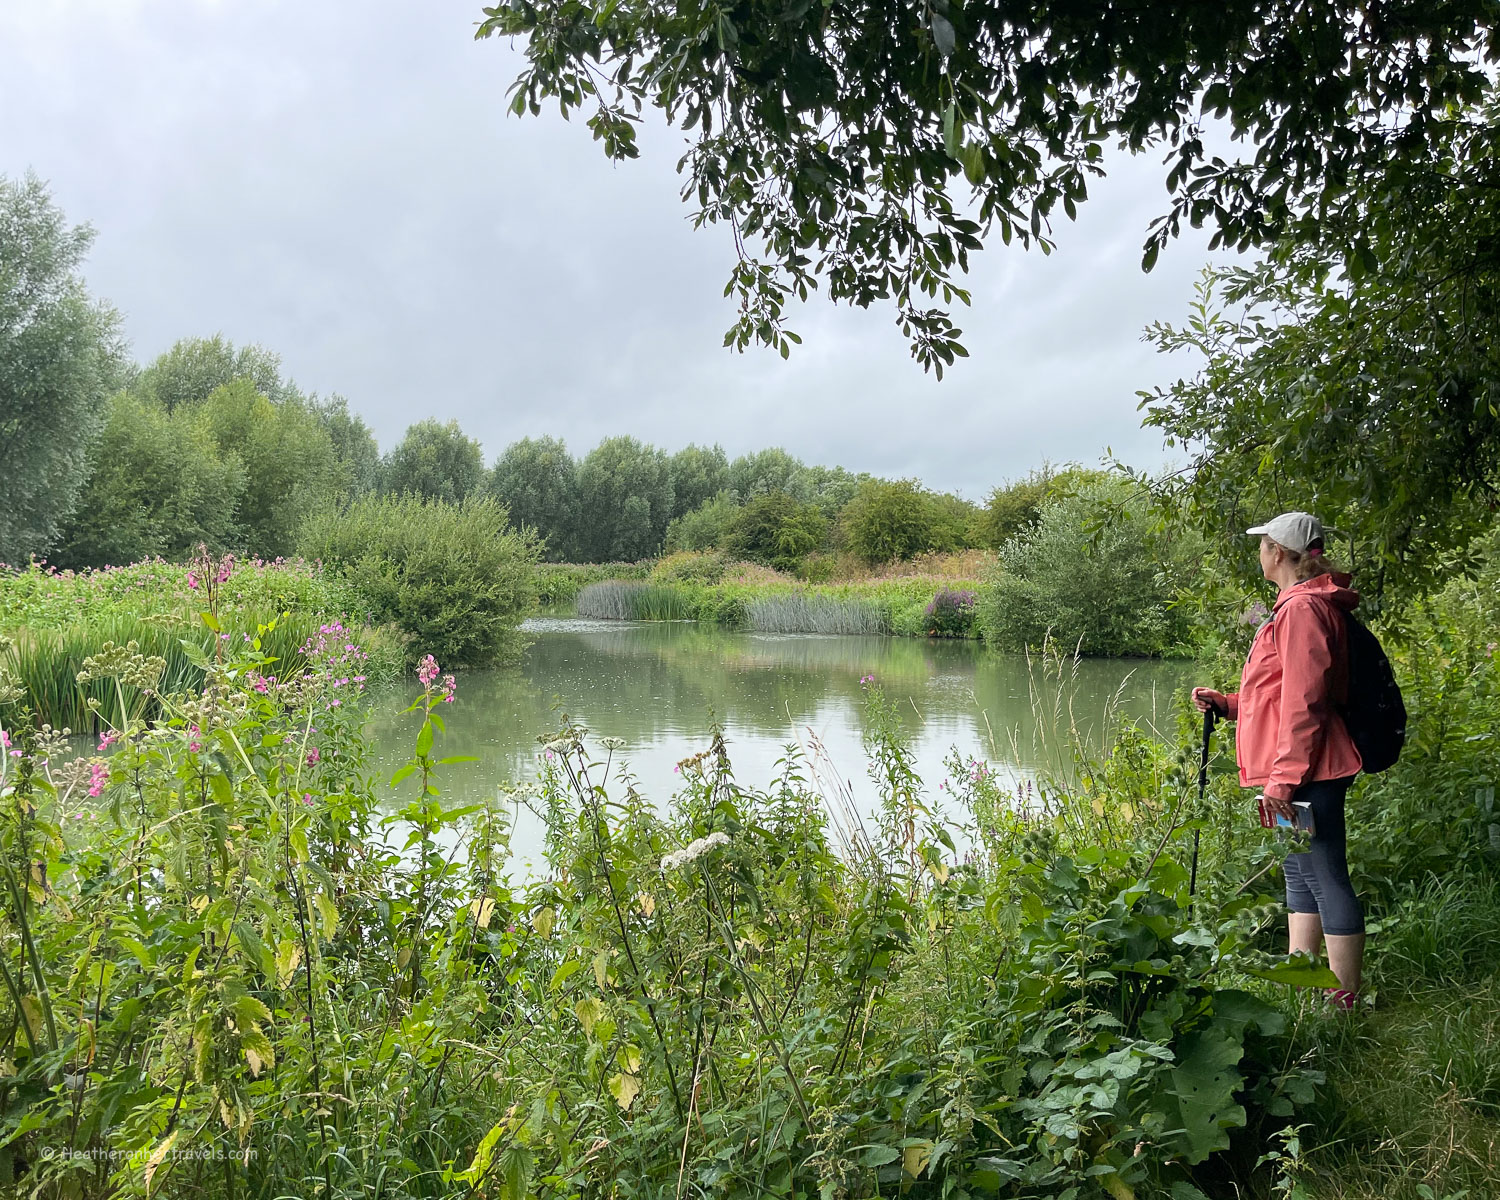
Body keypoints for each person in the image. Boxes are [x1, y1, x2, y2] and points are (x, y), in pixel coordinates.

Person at [1192, 511, 1366, 1009]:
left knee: (1327, 872)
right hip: (1302, 766)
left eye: (1263, 544)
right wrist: (1228, 705)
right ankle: (1304, 986)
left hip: (1311, 770)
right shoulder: (1296, 606)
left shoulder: (1303, 610)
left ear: (1279, 553)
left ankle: (1341, 1002)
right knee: (1299, 871)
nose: (1260, 553)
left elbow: (1305, 701)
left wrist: (1285, 779)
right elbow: (1280, 693)